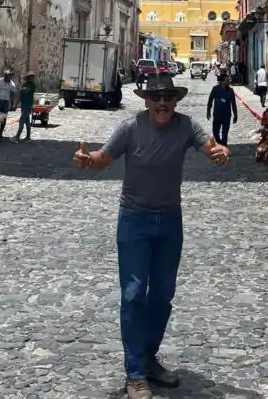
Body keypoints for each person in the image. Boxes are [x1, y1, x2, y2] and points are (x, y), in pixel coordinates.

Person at [72, 73, 229, 399]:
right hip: (134, 221)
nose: (162, 103)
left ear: (175, 101)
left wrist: (218, 151)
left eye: (168, 97)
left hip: (170, 221)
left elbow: (209, 145)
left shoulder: (185, 126)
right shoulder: (131, 128)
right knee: (132, 294)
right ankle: (135, 373)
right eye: (156, 97)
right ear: (146, 100)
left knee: (162, 295)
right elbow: (103, 158)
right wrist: (88, 161)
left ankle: (147, 357)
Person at [207, 72, 238, 146]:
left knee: (225, 133)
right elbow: (210, 100)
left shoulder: (230, 91)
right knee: (215, 132)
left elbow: (233, 103)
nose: (228, 82)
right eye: (227, 80)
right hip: (217, 115)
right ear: (222, 81)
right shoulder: (215, 89)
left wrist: (235, 114)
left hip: (226, 116)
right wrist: (208, 111)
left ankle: (224, 147)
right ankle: (219, 143)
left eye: (228, 80)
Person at [0, 69, 16, 139]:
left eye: (11, 76)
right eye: (8, 75)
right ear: (5, 75)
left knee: (4, 118)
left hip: (6, 102)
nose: (10, 77)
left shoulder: (12, 84)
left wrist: (12, 104)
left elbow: (12, 94)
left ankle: (0, 133)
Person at [14, 72, 36, 142]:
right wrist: (16, 104)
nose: (32, 78)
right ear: (28, 77)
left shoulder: (32, 85)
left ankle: (17, 137)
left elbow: (26, 91)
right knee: (27, 122)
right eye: (30, 77)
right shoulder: (24, 84)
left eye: (33, 77)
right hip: (23, 106)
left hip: (28, 106)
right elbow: (21, 95)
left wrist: (23, 90)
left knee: (21, 121)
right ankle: (28, 137)